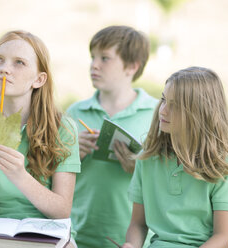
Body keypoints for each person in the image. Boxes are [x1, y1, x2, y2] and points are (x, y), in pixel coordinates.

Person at [0, 30, 80, 247]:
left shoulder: (62, 128)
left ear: (39, 79)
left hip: (46, 233)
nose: (4, 68)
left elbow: (61, 211)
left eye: (19, 63)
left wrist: (19, 175)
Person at [122, 67, 228, 248]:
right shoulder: (147, 158)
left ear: (200, 112)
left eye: (175, 105)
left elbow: (222, 236)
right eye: (164, 100)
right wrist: (131, 245)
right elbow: (138, 224)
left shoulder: (222, 164)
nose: (163, 111)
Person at [67, 25, 158, 248]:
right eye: (92, 57)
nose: (94, 65)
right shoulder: (74, 113)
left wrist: (139, 169)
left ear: (131, 66)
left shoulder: (157, 115)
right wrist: (69, 155)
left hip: (135, 239)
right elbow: (49, 175)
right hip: (78, 236)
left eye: (105, 58)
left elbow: (170, 179)